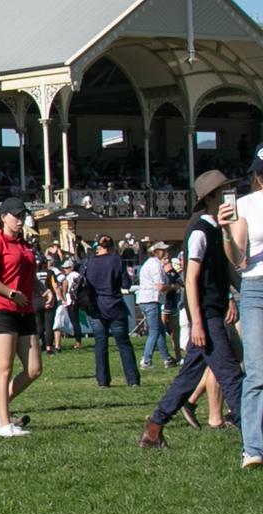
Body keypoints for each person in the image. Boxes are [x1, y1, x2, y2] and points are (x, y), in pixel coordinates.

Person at [141, 170, 244, 451]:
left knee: (188, 378)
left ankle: (154, 429)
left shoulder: (215, 228)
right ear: (211, 196)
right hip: (206, 317)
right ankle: (253, 434)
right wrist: (197, 323)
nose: (229, 195)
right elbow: (190, 279)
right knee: (231, 375)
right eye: (224, 191)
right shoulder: (199, 230)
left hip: (212, 313)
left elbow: (227, 269)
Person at [0, 197, 42, 437]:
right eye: (15, 215)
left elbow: (28, 275)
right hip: (1, 309)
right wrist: (11, 293)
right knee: (3, 367)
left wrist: (42, 290)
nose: (19, 220)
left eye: (22, 215)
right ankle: (4, 425)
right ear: (3, 217)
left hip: (24, 310)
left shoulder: (25, 245)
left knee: (34, 369)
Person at [220, 147, 263, 467]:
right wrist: (224, 231)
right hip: (256, 289)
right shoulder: (244, 205)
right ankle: (253, 448)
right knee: (258, 371)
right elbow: (238, 259)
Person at [83, 235, 139, 387]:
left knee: (100, 344)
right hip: (114, 305)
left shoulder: (89, 262)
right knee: (124, 344)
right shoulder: (116, 260)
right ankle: (132, 379)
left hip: (96, 307)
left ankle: (103, 380)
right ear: (112, 246)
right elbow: (126, 284)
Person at [137, 241, 176, 369]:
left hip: (146, 299)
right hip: (151, 299)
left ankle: (167, 358)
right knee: (154, 331)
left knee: (160, 330)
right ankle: (146, 359)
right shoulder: (155, 265)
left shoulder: (151, 264)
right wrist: (172, 287)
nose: (167, 253)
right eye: (164, 251)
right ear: (157, 252)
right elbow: (160, 286)